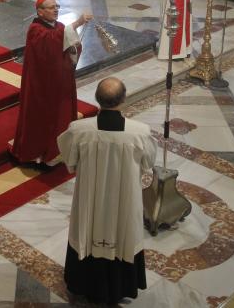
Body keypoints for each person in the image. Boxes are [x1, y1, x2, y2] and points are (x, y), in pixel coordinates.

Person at [58, 77, 156, 305]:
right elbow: (148, 162)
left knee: (87, 231)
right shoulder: (139, 132)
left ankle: (84, 283)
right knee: (124, 233)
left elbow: (69, 159)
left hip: (89, 201)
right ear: (124, 99)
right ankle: (121, 286)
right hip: (124, 201)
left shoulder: (79, 130)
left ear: (97, 99)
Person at [12, 0, 92, 166]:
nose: (56, 9)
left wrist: (73, 47)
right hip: (42, 85)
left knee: (61, 115)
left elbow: (65, 42)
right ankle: (40, 152)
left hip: (61, 81)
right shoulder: (35, 29)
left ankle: (59, 148)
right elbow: (50, 43)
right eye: (51, 7)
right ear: (40, 11)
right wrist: (77, 24)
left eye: (57, 6)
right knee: (43, 119)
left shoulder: (60, 26)